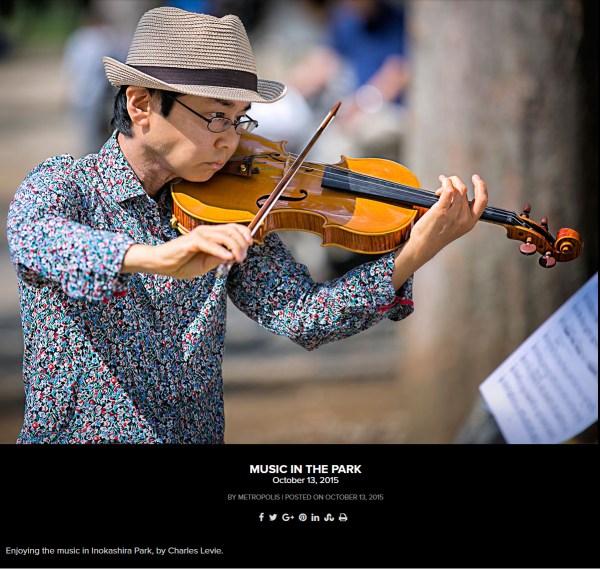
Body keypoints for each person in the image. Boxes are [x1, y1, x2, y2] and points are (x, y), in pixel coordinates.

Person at [6, 7, 488, 444]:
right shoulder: (67, 185)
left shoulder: (230, 207)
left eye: (241, 119)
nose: (231, 141)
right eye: (217, 117)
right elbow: (33, 239)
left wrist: (416, 251)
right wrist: (155, 257)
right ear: (141, 105)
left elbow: (304, 316)